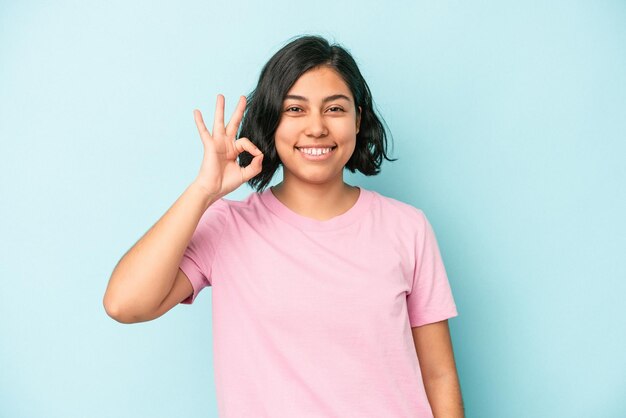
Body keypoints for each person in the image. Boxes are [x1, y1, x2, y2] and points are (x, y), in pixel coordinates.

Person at [103, 34, 464, 417]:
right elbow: (124, 304)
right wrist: (203, 191)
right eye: (295, 110)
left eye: (335, 109)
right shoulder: (227, 227)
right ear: (271, 120)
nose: (316, 128)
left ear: (358, 119)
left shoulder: (406, 228)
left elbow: (439, 376)